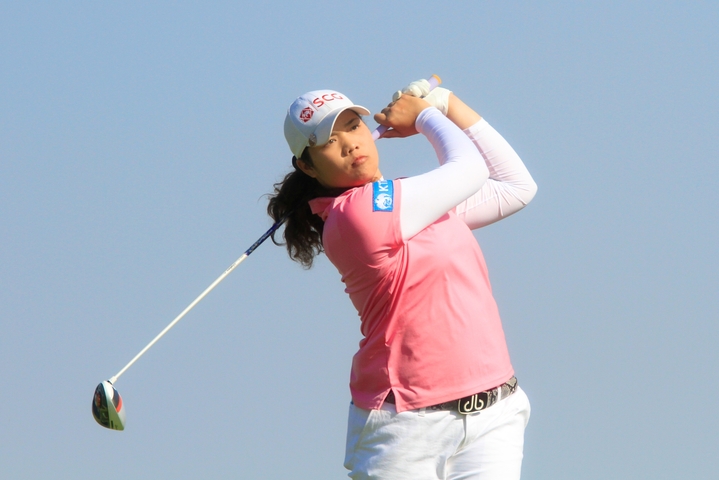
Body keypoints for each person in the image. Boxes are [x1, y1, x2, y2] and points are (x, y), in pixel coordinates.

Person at [267, 79, 538, 480]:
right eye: (328, 141)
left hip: (495, 414)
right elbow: (470, 169)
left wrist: (447, 103)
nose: (349, 144)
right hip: (406, 430)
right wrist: (426, 116)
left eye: (353, 127)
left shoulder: (412, 199)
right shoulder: (353, 215)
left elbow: (516, 187)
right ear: (307, 166)